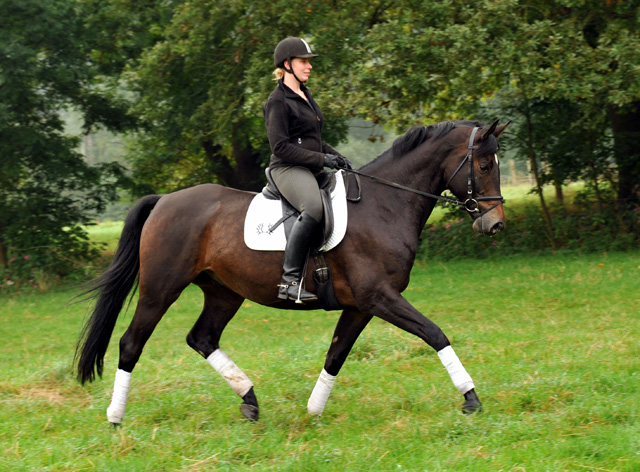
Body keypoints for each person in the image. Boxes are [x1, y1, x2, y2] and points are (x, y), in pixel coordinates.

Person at [264, 36, 351, 303]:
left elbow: (313, 139)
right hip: (288, 168)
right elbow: (281, 147)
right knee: (312, 206)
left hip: (310, 166)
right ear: (287, 64)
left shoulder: (306, 94)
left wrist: (337, 157)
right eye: (304, 61)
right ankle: (289, 282)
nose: (309, 66)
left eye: (309, 62)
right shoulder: (277, 101)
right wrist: (323, 159)